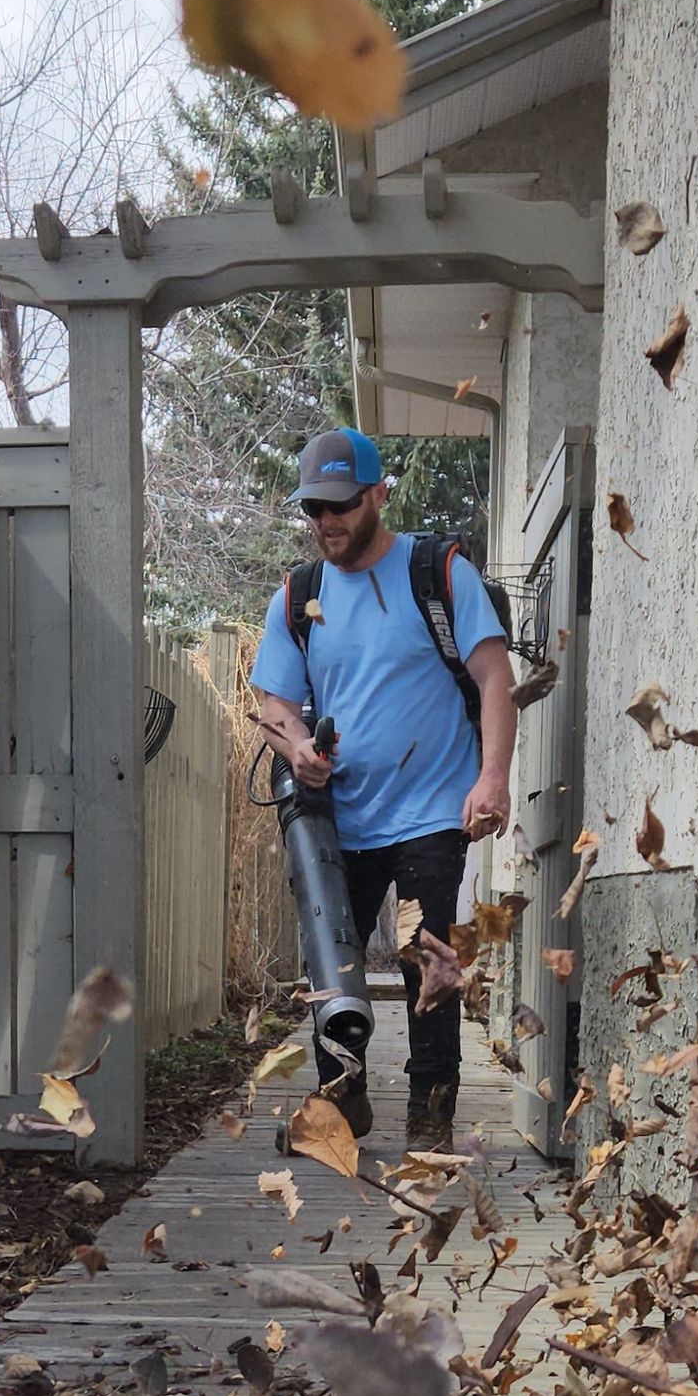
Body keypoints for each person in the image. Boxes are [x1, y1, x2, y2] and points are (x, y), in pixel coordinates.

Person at [251, 425, 515, 1149]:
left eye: (340, 505)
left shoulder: (439, 573)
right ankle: (342, 1104)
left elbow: (496, 676)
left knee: (430, 959)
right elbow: (274, 704)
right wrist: (298, 746)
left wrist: (493, 776)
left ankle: (430, 1120)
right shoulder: (299, 595)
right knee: (332, 968)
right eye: (313, 509)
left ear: (378, 495)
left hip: (433, 806)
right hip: (341, 818)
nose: (326, 522)